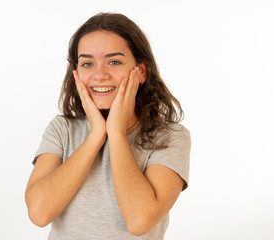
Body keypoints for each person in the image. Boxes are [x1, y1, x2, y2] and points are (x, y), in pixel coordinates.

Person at [25, 12, 191, 240]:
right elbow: (39, 213)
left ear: (141, 72)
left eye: (114, 62)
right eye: (87, 63)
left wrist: (116, 134)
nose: (99, 75)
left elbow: (139, 221)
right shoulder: (62, 130)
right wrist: (96, 136)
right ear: (76, 73)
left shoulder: (170, 137)